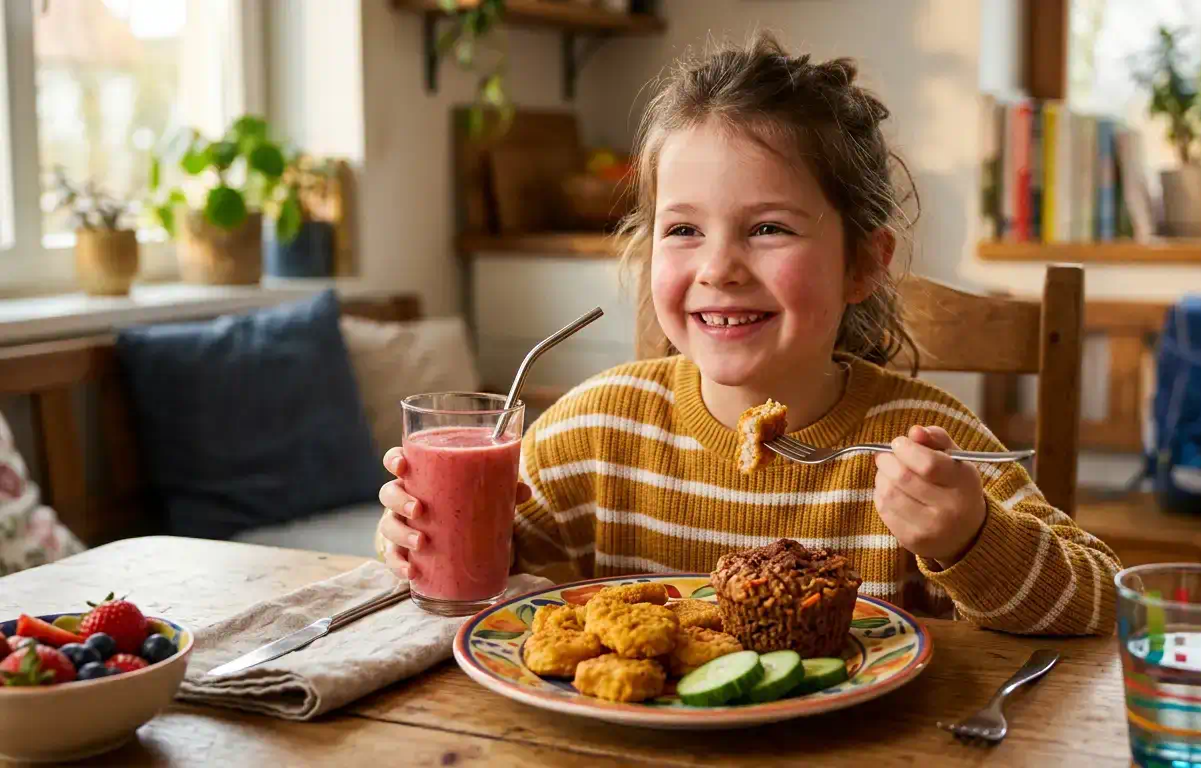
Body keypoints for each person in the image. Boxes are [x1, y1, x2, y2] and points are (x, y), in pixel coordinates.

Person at [376, 32, 1120, 636]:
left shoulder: (922, 445)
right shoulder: (601, 428)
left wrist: (970, 537)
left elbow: (1100, 599)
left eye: (767, 228)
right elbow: (494, 582)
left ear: (862, 264)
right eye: (684, 230)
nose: (719, 267)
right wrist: (425, 539)